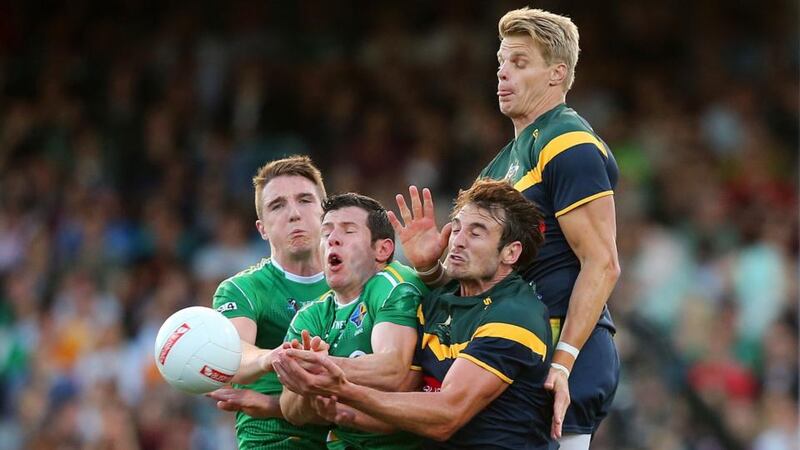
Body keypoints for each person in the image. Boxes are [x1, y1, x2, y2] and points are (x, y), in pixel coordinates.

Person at [389, 8, 621, 449]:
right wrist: (429, 269)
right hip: (508, 349)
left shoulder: (567, 142)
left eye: (519, 62)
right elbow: (478, 279)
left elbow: (603, 262)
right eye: (500, 62)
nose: (502, 74)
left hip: (557, 353)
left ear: (557, 74)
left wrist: (564, 362)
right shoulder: (500, 164)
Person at [273, 179, 556, 450]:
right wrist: (339, 409)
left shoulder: (516, 316)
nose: (457, 241)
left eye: (476, 232)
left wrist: (343, 387)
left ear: (510, 252)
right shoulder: (439, 301)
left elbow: (446, 415)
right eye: (456, 229)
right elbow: (407, 390)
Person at [279, 193, 427, 449]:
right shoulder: (310, 316)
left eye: (348, 231)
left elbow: (394, 371)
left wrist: (318, 366)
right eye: (326, 233)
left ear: (382, 249)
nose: (333, 239)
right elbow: (291, 411)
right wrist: (308, 382)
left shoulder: (395, 285)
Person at [209, 155, 330, 449]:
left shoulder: (362, 284)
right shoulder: (242, 290)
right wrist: (270, 357)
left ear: (326, 213)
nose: (294, 214)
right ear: (262, 228)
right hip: (273, 441)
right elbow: (233, 355)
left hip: (347, 437)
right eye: (278, 205)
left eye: (304, 200)